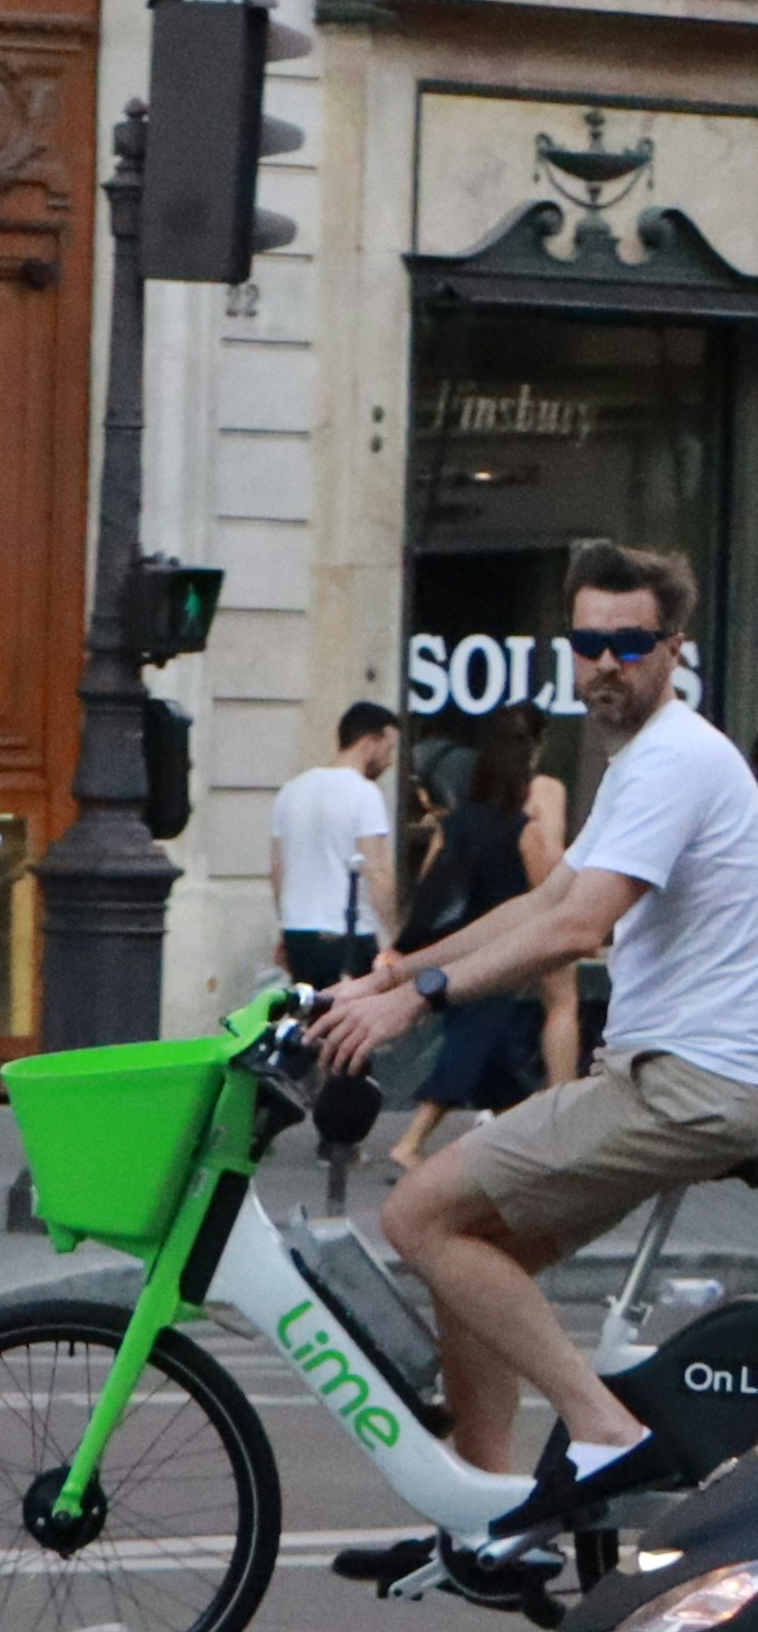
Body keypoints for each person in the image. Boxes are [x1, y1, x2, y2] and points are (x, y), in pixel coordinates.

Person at [310, 546, 758, 1530]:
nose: (603, 662)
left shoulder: (678, 759)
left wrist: (415, 1000)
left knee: (419, 1214)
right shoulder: (643, 762)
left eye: (627, 642)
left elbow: (574, 926)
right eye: (587, 641)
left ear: (671, 649)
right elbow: (545, 894)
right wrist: (386, 973)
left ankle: (605, 1432)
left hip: (688, 1082)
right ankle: (485, 1507)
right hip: (670, 1075)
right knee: (463, 1243)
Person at [384, 712, 564, 1178]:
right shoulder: (523, 829)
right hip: (502, 951)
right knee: (472, 1042)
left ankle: (519, 1143)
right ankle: (410, 1142)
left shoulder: (455, 823)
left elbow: (429, 886)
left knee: (498, 1056)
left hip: (457, 947)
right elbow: (545, 895)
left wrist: (410, 943)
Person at [274, 701, 402, 994]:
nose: (389, 760)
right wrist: (394, 938)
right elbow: (376, 871)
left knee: (311, 1024)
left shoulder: (291, 791)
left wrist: (285, 924)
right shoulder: (365, 794)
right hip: (349, 937)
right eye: (389, 748)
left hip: (298, 934)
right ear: (370, 742)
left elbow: (278, 870)